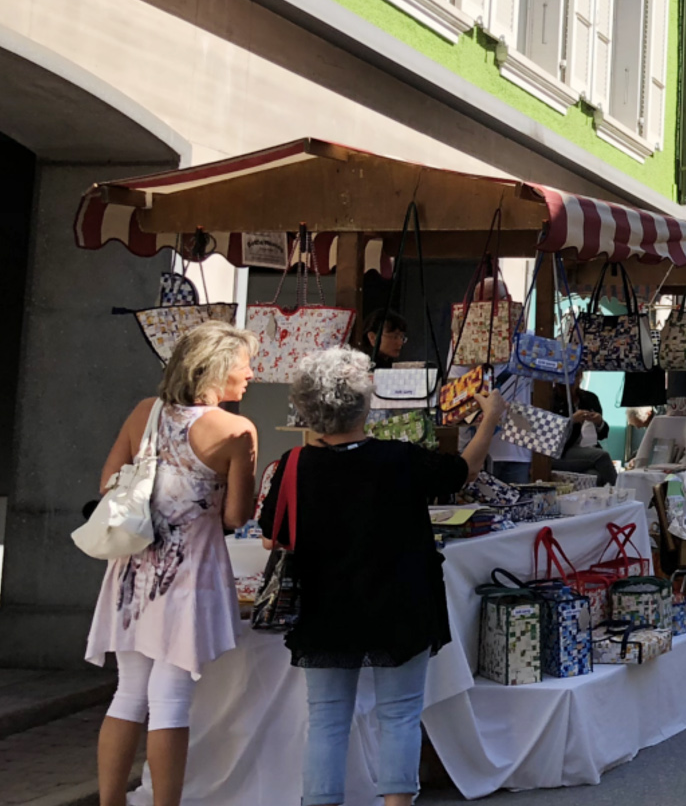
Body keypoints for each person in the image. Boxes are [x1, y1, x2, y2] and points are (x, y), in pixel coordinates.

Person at [261, 349, 506, 806]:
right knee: (399, 716)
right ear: (364, 403)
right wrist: (489, 418)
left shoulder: (293, 464)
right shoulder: (400, 458)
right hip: (401, 601)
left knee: (327, 719)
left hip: (324, 605)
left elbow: (272, 537)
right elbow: (464, 471)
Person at [88, 321, 260, 806]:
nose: (251, 373)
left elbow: (108, 483)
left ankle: (110, 802)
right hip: (190, 572)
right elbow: (236, 516)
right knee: (170, 700)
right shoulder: (236, 430)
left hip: (132, 568)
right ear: (217, 369)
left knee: (128, 691)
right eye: (244, 364)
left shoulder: (145, 412)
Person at [548, 384, 617, 486]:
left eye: (577, 376)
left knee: (594, 475)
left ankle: (606, 493)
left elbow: (603, 434)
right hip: (562, 451)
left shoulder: (590, 398)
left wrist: (599, 422)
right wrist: (571, 421)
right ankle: (618, 490)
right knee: (602, 456)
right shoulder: (550, 398)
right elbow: (549, 433)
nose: (574, 380)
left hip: (589, 448)